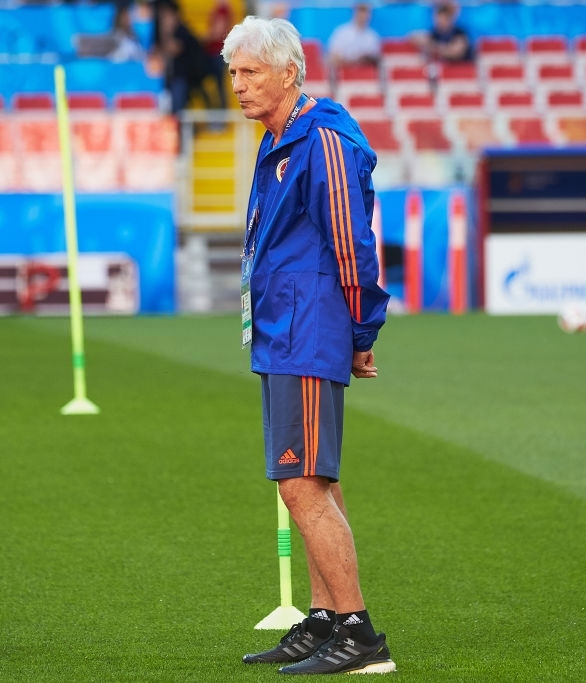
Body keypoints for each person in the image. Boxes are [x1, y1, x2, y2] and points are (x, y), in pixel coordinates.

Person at [221, 16, 394, 676]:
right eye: (233, 73)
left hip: (308, 328)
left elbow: (352, 242)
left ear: (290, 73)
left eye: (251, 72)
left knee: (300, 484)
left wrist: (360, 329)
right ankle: (324, 618)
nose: (238, 85)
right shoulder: (283, 139)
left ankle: (359, 632)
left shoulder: (320, 139)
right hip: (284, 329)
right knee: (314, 478)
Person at [153, 0, 212, 116]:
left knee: (178, 105)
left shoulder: (183, 31)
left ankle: (179, 128)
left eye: (166, 15)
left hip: (184, 77)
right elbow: (154, 52)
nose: (164, 19)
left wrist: (166, 33)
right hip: (164, 78)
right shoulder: (157, 32)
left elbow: (174, 48)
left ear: (175, 15)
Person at [326, 2, 380, 69]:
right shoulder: (341, 32)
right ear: (354, 12)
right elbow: (333, 56)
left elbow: (374, 59)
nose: (363, 15)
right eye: (360, 11)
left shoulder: (373, 36)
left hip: (364, 72)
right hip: (343, 71)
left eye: (366, 12)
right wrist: (350, 62)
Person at [204, 0, 232, 110]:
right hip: (216, 52)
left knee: (219, 86)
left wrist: (200, 39)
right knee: (217, 85)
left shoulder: (222, 11)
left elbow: (217, 32)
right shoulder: (221, 10)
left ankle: (221, 115)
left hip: (217, 53)